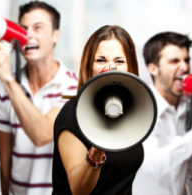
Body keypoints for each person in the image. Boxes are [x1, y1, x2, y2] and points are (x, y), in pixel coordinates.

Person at [0, 1, 77, 195]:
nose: (28, 35)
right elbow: (5, 166)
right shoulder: (3, 92)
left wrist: (8, 80)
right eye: (23, 28)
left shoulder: (74, 87)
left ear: (56, 35)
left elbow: (42, 135)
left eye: (38, 28)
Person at [52, 25, 142, 195]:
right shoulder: (72, 115)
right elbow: (79, 190)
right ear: (89, 67)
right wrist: (97, 149)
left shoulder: (131, 113)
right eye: (101, 60)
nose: (110, 67)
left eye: (119, 61)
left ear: (130, 67)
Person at [132, 31, 192, 195]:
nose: (184, 67)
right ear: (153, 68)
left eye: (186, 60)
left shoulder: (189, 106)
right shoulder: (141, 109)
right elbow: (152, 166)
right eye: (174, 61)